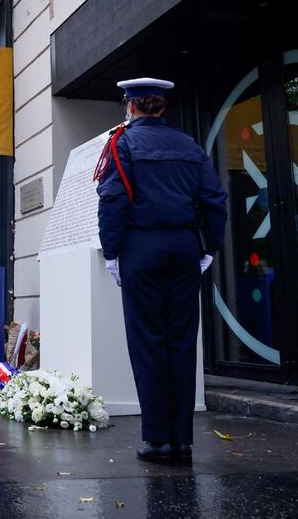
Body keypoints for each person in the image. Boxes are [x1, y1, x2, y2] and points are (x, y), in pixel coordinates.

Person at [96, 78, 228, 466]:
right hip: (185, 248)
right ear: (161, 107)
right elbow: (215, 200)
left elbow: (112, 201)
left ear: (131, 106)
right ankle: (182, 441)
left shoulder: (123, 143)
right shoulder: (190, 146)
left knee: (148, 341)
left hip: (142, 249)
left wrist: (111, 251)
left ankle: (157, 440)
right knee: (182, 343)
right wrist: (210, 248)